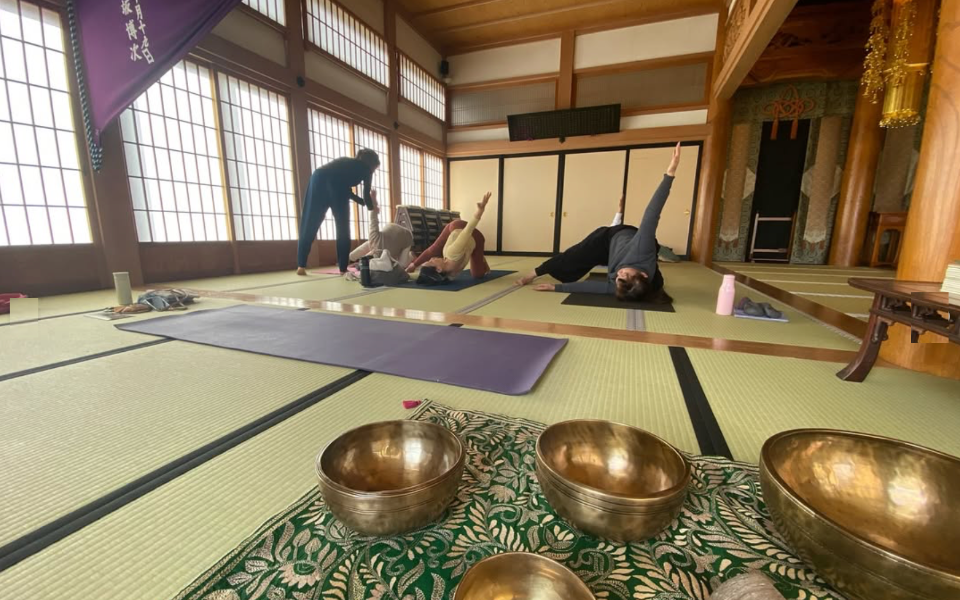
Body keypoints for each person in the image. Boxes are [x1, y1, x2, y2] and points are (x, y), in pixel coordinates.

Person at [515, 142, 681, 303]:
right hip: (613, 237)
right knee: (573, 255)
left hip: (618, 253)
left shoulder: (621, 285)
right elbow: (652, 214)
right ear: (643, 275)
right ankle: (533, 273)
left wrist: (556, 288)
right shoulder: (641, 248)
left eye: (619, 279)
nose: (620, 274)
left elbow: (594, 287)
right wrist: (670, 174)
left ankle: (652, 262)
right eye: (626, 276)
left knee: (649, 289)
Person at [296, 149, 380, 276]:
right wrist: (372, 208)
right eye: (375, 168)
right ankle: (342, 268)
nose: (374, 171)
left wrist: (364, 203)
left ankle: (301, 266)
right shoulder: (366, 169)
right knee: (342, 228)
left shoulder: (345, 163)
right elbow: (365, 195)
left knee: (310, 222)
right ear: (371, 163)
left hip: (318, 179)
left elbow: (345, 190)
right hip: (332, 185)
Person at [406, 192, 492, 280]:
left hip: (460, 228)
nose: (431, 259)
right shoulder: (450, 275)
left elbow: (468, 230)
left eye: (429, 260)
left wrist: (480, 211)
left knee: (435, 248)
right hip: (471, 243)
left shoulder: (452, 253)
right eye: (431, 261)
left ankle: (413, 265)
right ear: (439, 269)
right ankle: (479, 257)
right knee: (478, 275)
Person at [348, 191, 416, 270]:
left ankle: (411, 256)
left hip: (406, 236)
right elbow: (373, 218)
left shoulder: (387, 256)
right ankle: (350, 258)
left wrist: (374, 204)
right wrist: (374, 203)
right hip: (388, 233)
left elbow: (373, 218)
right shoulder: (374, 238)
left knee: (402, 266)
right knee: (356, 253)